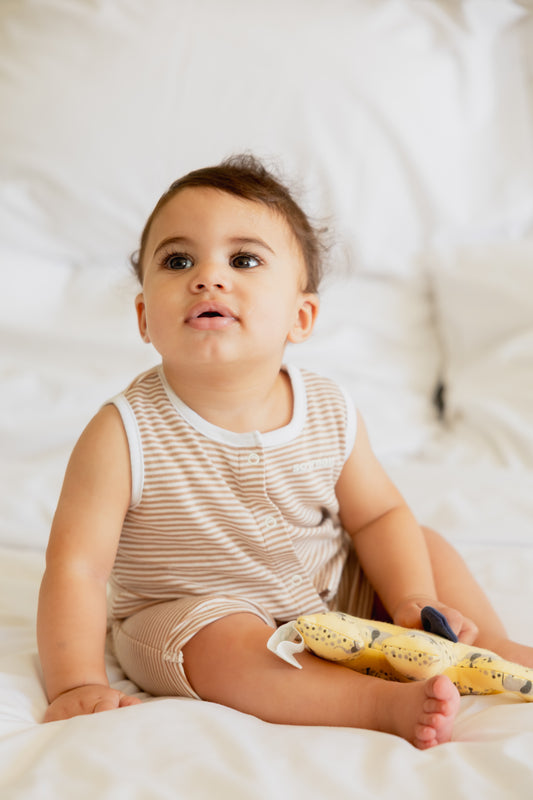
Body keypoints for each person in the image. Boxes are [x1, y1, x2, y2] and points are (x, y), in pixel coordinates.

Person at [37, 154, 533, 749]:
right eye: (177, 260)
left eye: (243, 259)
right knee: (225, 643)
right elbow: (78, 568)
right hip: (193, 613)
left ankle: (494, 649)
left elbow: (377, 516)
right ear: (145, 317)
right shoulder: (124, 432)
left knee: (422, 544)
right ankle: (377, 704)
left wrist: (410, 598)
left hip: (325, 593)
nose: (208, 277)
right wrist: (76, 683)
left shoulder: (328, 409)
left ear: (301, 317)